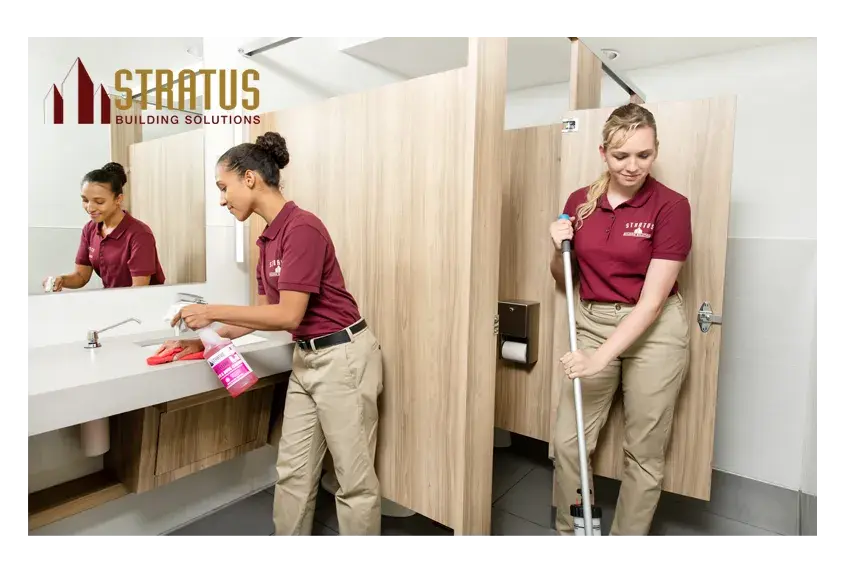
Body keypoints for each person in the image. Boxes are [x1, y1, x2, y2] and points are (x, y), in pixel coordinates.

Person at [160, 132, 384, 537]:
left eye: (223, 187)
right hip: (306, 359)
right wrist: (204, 336)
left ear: (249, 178)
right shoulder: (267, 239)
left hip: (343, 358)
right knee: (293, 472)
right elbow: (262, 316)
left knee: (353, 481)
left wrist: (210, 310)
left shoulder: (303, 228)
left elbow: (287, 314)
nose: (222, 199)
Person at [549, 103, 692, 536]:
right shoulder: (580, 202)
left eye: (643, 155)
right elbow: (564, 277)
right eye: (621, 155)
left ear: (656, 151)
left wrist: (599, 359)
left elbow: (651, 303)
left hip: (655, 331)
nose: (633, 166)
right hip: (594, 320)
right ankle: (575, 529)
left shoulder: (671, 206)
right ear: (603, 152)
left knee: (643, 454)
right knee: (568, 441)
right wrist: (558, 248)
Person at [43, 162, 166, 291]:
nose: (90, 208)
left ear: (118, 199)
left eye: (99, 202)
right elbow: (81, 276)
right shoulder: (90, 229)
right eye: (85, 200)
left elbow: (139, 290)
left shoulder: (139, 234)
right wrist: (61, 280)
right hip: (112, 299)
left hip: (141, 300)